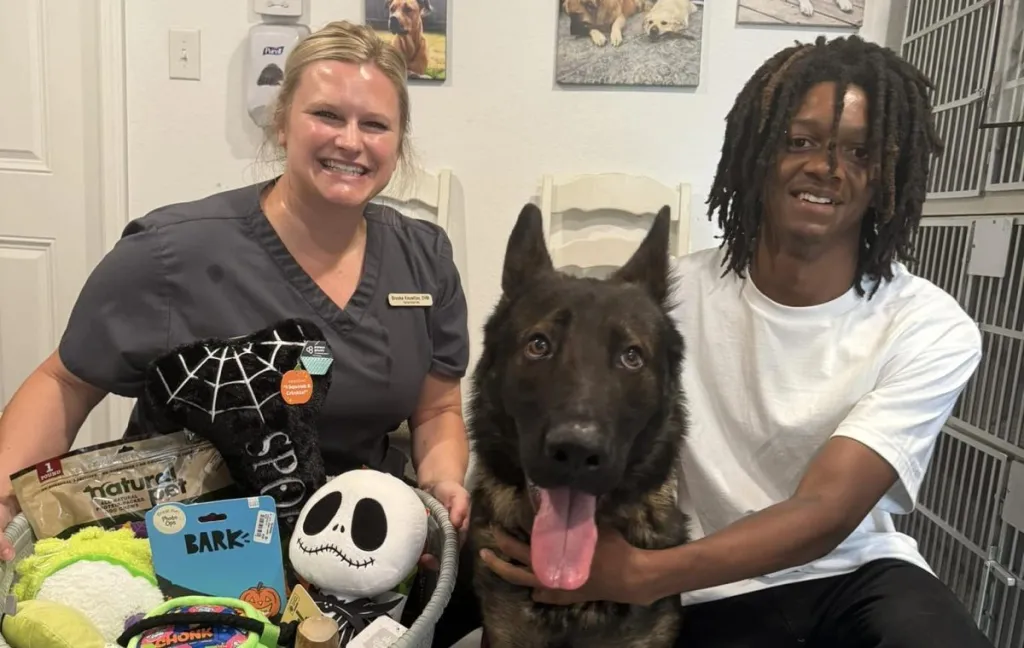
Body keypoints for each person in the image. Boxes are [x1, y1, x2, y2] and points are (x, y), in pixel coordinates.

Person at [478, 35, 992, 647]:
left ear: (887, 175)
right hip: (707, 590)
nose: (825, 167)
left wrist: (639, 575)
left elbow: (824, 511)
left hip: (855, 577)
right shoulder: (667, 304)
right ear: (756, 152)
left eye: (858, 152)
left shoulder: (932, 327)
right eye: (799, 141)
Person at [0, 20, 471, 562]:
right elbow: (65, 381)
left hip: (351, 544)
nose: (350, 140)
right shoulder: (169, 254)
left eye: (375, 124)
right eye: (326, 115)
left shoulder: (424, 261)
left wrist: (443, 486)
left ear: (398, 142)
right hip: (185, 544)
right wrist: (6, 502)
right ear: (281, 123)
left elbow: (437, 413)